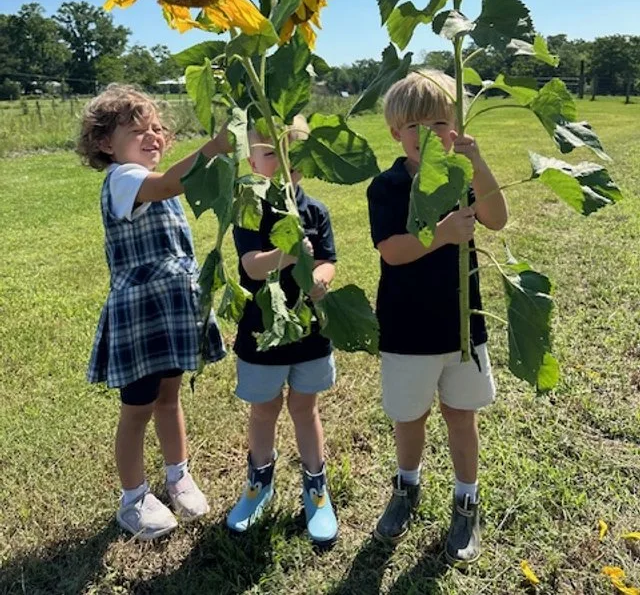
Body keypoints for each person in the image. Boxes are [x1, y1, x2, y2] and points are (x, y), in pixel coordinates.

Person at [367, 70, 508, 564]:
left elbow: (497, 218)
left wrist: (477, 159)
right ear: (394, 133)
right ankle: (407, 487)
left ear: (458, 126)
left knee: (461, 414)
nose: (429, 134)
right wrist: (441, 234)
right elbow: (391, 251)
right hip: (406, 328)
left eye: (441, 122)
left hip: (462, 323)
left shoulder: (460, 175)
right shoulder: (385, 187)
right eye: (415, 126)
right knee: (410, 416)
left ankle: (466, 498)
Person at [77, 84, 228, 540]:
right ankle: (133, 498)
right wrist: (216, 146)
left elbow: (174, 183)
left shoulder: (149, 178)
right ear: (106, 143)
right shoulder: (124, 178)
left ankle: (178, 475)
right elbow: (166, 184)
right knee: (137, 408)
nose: (153, 136)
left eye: (158, 128)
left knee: (169, 397)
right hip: (141, 313)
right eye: (138, 130)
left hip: (171, 306)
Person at [226, 116, 339, 546]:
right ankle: (259, 483)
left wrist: (321, 277)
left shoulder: (316, 211)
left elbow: (329, 259)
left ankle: (316, 487)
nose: (282, 162)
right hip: (262, 331)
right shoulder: (249, 208)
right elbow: (251, 265)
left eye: (291, 153)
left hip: (309, 329)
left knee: (305, 408)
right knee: (264, 409)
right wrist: (287, 256)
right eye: (270, 152)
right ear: (252, 158)